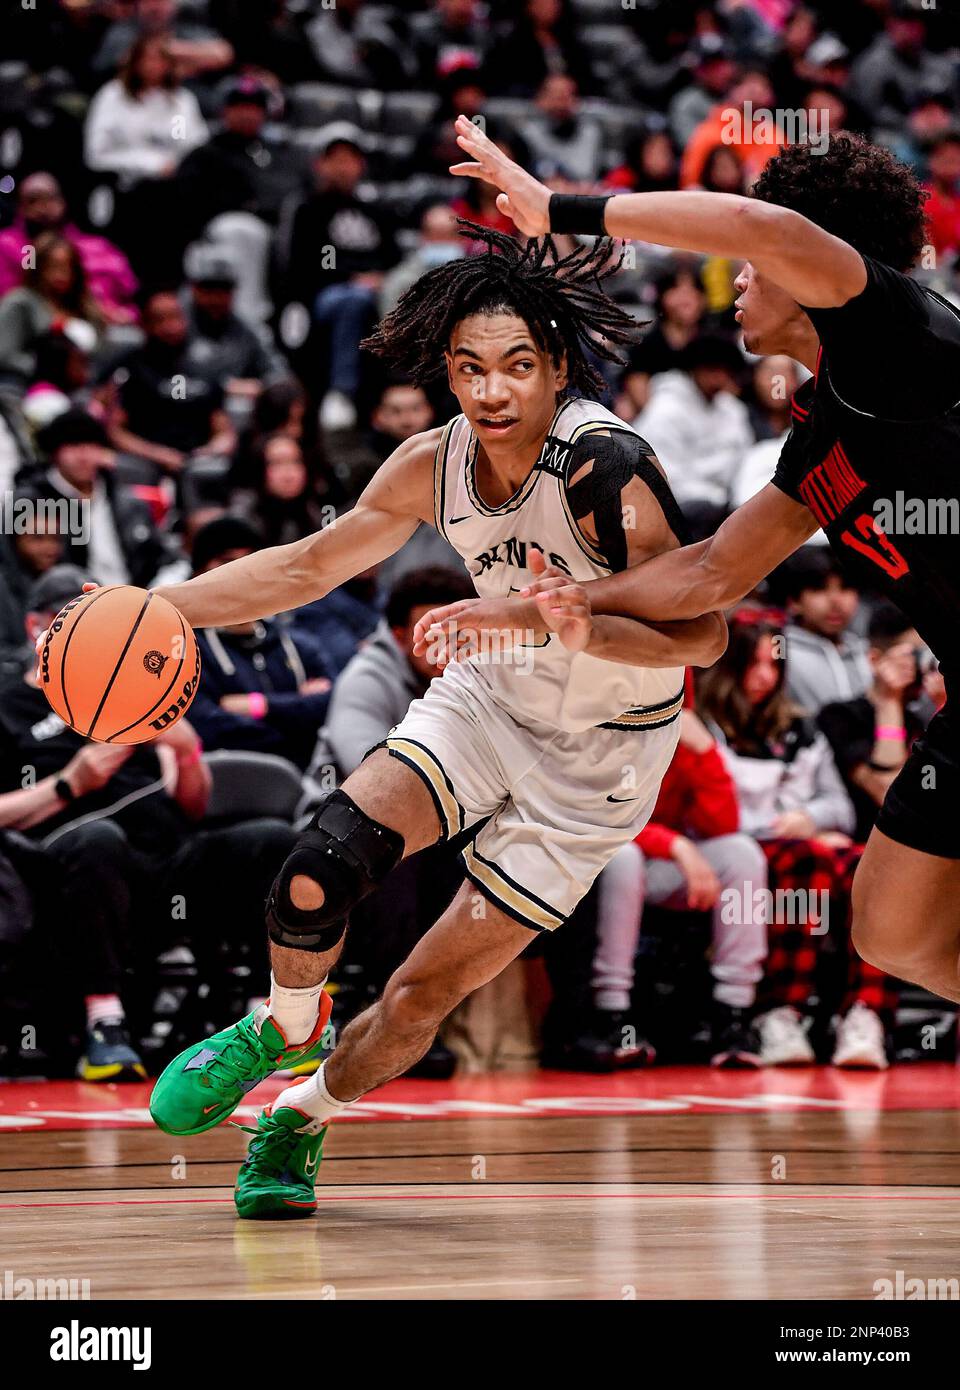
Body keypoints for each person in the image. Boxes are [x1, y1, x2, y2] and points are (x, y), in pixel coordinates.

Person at [133, 222, 726, 1219]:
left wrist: (577, 626)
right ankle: (284, 1024)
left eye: (517, 367)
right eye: (470, 370)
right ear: (446, 375)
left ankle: (301, 1119)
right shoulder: (432, 460)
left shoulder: (604, 469)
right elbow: (302, 569)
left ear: (557, 368)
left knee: (419, 994)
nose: (493, 392)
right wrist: (160, 606)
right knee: (322, 861)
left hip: (603, 762)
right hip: (489, 700)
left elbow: (702, 638)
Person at [437, 117, 960, 1011]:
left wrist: (558, 208)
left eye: (758, 263)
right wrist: (550, 608)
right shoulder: (825, 427)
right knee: (894, 928)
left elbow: (764, 230)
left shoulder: (897, 335)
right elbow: (713, 571)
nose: (740, 277)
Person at [818, 603, 929, 847]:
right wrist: (889, 700)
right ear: (875, 659)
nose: (920, 666)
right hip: (868, 850)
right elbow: (885, 791)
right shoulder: (838, 716)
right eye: (914, 655)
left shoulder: (920, 721)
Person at [0, 173, 138, 326]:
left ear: (62, 202)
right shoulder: (20, 249)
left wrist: (125, 314)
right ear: (20, 208)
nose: (43, 207)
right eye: (33, 201)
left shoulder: (97, 246)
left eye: (50, 198)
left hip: (104, 326)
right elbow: (20, 295)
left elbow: (133, 300)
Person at [83, 34, 208, 183]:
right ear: (135, 62)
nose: (153, 65)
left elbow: (187, 142)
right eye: (147, 58)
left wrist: (173, 164)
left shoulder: (180, 101)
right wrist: (150, 164)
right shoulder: (112, 96)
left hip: (172, 182)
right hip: (122, 182)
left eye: (161, 59)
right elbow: (96, 154)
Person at [776, 547, 871, 715]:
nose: (835, 600)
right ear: (794, 602)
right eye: (819, 589)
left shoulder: (866, 654)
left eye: (845, 587)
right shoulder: (779, 648)